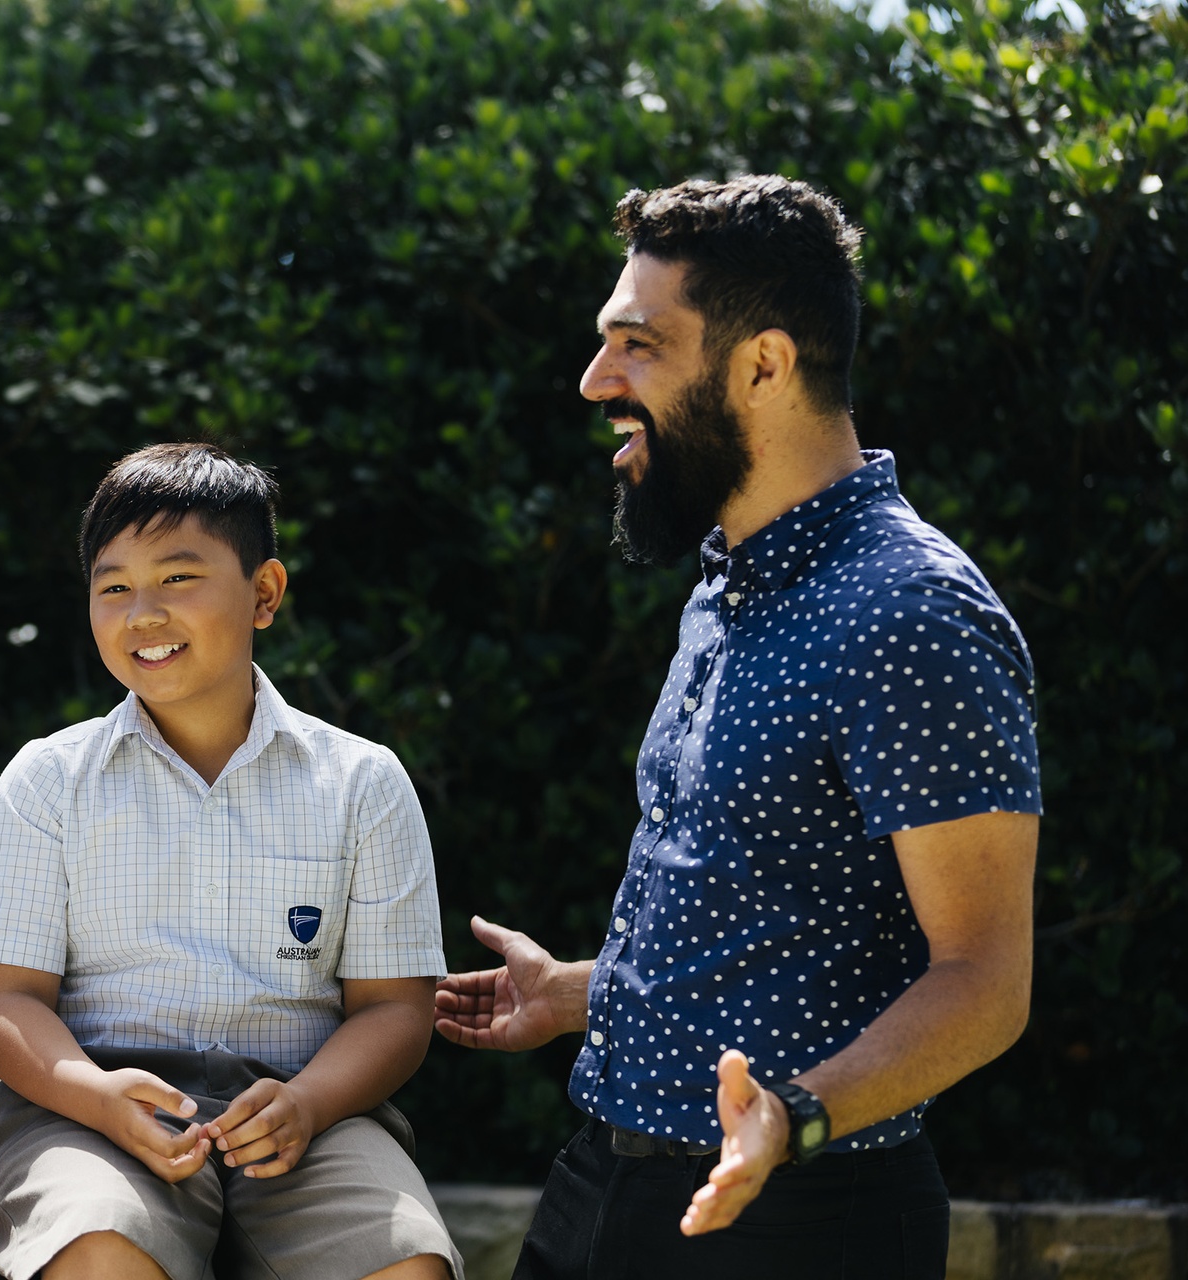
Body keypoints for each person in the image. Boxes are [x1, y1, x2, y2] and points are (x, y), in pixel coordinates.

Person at [434, 176, 1041, 1278]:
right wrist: (585, 990)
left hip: (800, 1214)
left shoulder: (913, 612)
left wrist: (794, 1115)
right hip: (605, 1184)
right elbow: (771, 900)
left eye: (638, 346)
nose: (594, 381)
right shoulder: (729, 581)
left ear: (764, 364)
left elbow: (984, 979)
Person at [0, 442, 465, 1280]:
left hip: (310, 1113)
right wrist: (96, 1097)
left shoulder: (361, 782)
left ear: (264, 593)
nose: (142, 613)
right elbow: (4, 1001)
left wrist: (308, 1102)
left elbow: (395, 1011)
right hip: (87, 1108)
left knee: (405, 1268)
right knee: (100, 1252)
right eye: (113, 587)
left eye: (178, 578)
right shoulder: (48, 781)